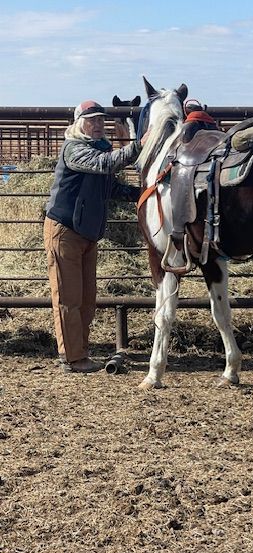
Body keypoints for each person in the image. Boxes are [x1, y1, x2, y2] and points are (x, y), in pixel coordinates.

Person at [44, 99, 147, 373]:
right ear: (80, 124)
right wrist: (139, 145)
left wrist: (140, 195)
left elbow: (109, 185)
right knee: (68, 297)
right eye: (92, 120)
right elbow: (104, 165)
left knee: (87, 297)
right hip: (65, 229)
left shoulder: (96, 149)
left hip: (86, 231)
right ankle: (72, 358)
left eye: (102, 120)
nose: (98, 125)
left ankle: (80, 352)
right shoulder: (75, 149)